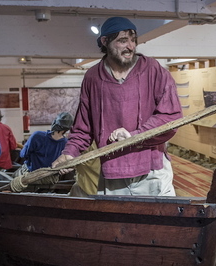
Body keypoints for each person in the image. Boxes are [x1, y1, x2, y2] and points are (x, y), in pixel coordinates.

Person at [51, 16, 182, 196]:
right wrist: (70, 152)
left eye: (133, 40)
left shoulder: (153, 70)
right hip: (113, 171)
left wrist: (133, 136)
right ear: (105, 41)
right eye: (122, 40)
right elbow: (83, 128)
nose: (130, 46)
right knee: (117, 224)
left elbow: (171, 117)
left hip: (152, 171)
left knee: (160, 222)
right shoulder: (93, 78)